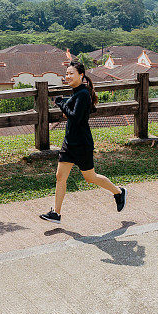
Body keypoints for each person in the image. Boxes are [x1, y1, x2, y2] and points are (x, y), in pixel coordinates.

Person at [39, 59, 127, 223]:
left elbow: (75, 117)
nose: (68, 76)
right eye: (66, 74)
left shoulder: (83, 94)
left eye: (71, 73)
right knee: (60, 177)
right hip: (69, 143)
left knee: (90, 177)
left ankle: (119, 192)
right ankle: (56, 213)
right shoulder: (76, 93)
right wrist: (66, 105)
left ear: (81, 75)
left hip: (82, 144)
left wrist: (60, 103)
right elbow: (72, 113)